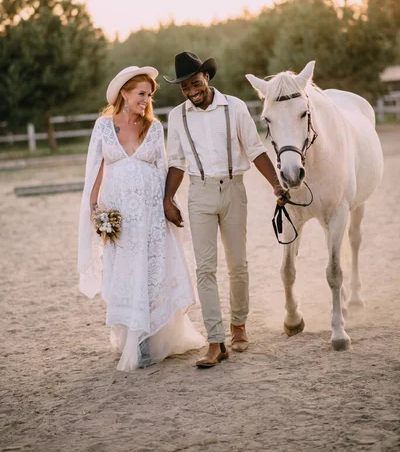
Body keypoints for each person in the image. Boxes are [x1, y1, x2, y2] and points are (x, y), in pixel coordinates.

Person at [163, 52, 286, 368]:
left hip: (233, 189)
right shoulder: (177, 117)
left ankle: (239, 326)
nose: (191, 92)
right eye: (185, 87)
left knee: (238, 264)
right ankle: (216, 342)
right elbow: (176, 161)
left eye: (195, 83)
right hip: (199, 194)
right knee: (204, 268)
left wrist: (276, 184)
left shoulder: (236, 108)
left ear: (207, 77)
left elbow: (256, 150)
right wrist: (168, 198)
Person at [78, 65, 205, 371]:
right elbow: (95, 170)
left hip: (150, 216)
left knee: (152, 272)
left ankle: (148, 341)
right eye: (140, 94)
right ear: (124, 93)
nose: (146, 100)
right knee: (125, 274)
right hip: (119, 215)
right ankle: (132, 338)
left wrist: (168, 203)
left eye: (149, 95)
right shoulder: (104, 127)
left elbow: (163, 168)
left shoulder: (154, 127)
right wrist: (95, 210)